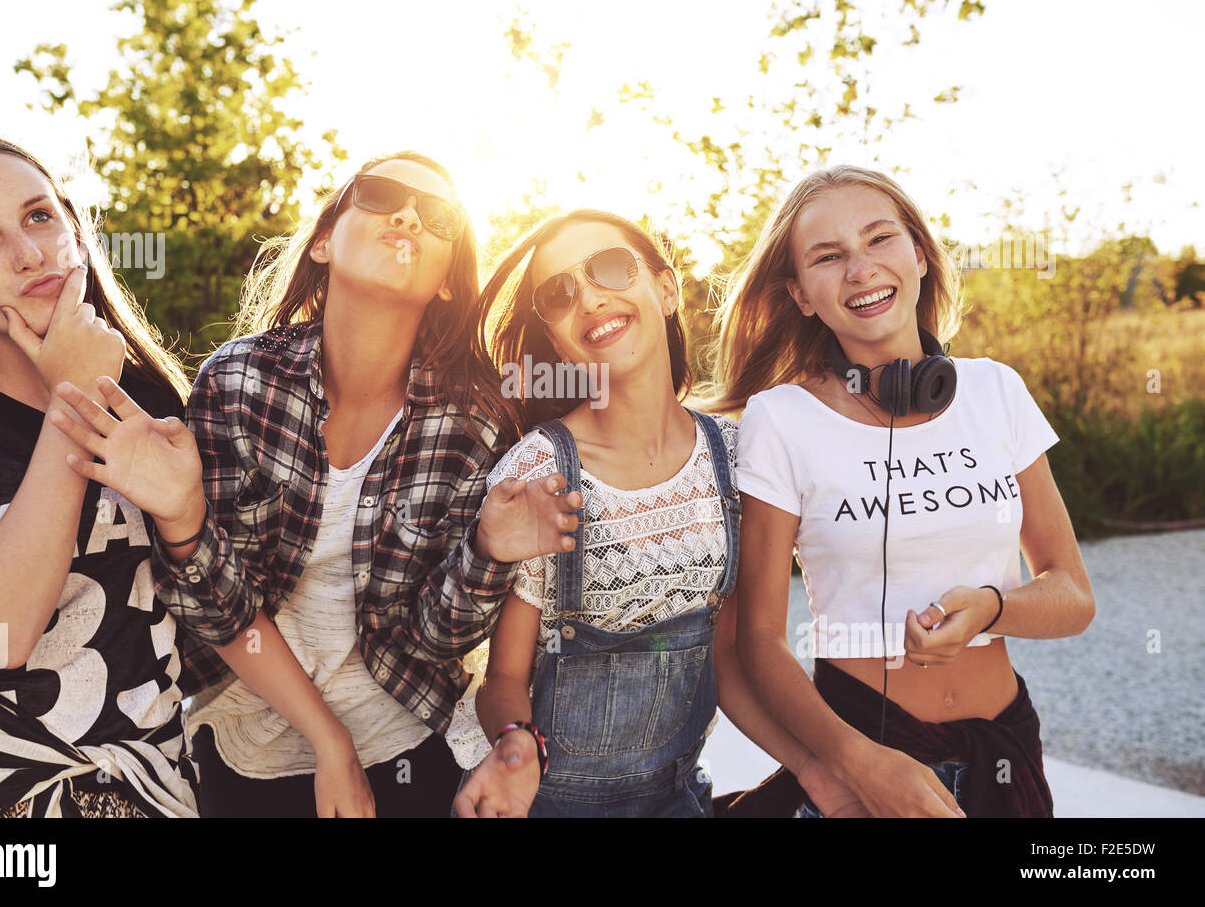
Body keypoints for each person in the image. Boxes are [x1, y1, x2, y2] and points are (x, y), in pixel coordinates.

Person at [49, 151, 579, 817]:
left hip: (403, 731)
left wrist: (489, 552)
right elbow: (213, 604)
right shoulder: (238, 382)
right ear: (325, 240)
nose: (409, 214)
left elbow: (434, 639)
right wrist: (330, 744)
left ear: (448, 280)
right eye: (381, 194)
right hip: (243, 731)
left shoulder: (474, 421)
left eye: (439, 215)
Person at [449, 210, 866, 817]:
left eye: (611, 268)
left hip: (676, 798)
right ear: (556, 340)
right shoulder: (541, 471)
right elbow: (503, 679)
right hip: (545, 802)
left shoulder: (733, 454)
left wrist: (811, 768)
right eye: (559, 293)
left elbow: (727, 657)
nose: (590, 297)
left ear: (666, 289)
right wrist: (515, 753)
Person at [709, 165, 1094, 817]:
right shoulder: (781, 419)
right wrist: (854, 764)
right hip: (863, 755)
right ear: (801, 294)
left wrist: (990, 606)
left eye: (879, 239)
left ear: (919, 254)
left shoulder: (997, 390)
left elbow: (1073, 593)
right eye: (828, 256)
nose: (860, 269)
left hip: (1005, 751)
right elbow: (758, 641)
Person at [0, 134, 197, 817]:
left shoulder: (152, 399)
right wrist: (71, 401)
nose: (29, 252)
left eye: (39, 216)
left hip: (151, 779)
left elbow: (205, 602)